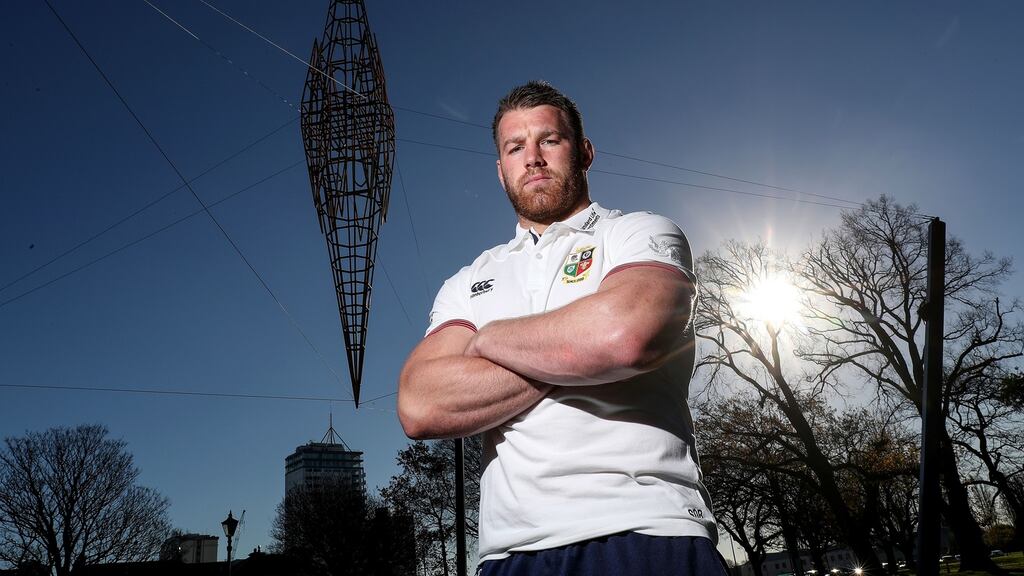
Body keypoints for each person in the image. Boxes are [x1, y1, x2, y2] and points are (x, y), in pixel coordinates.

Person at [398, 81, 724, 576]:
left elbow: (624, 336)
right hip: (510, 554)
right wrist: (575, 346)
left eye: (549, 140)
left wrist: (486, 339)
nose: (532, 157)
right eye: (515, 147)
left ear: (585, 151)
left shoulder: (638, 232)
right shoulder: (467, 281)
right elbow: (421, 404)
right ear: (500, 168)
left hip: (647, 527)